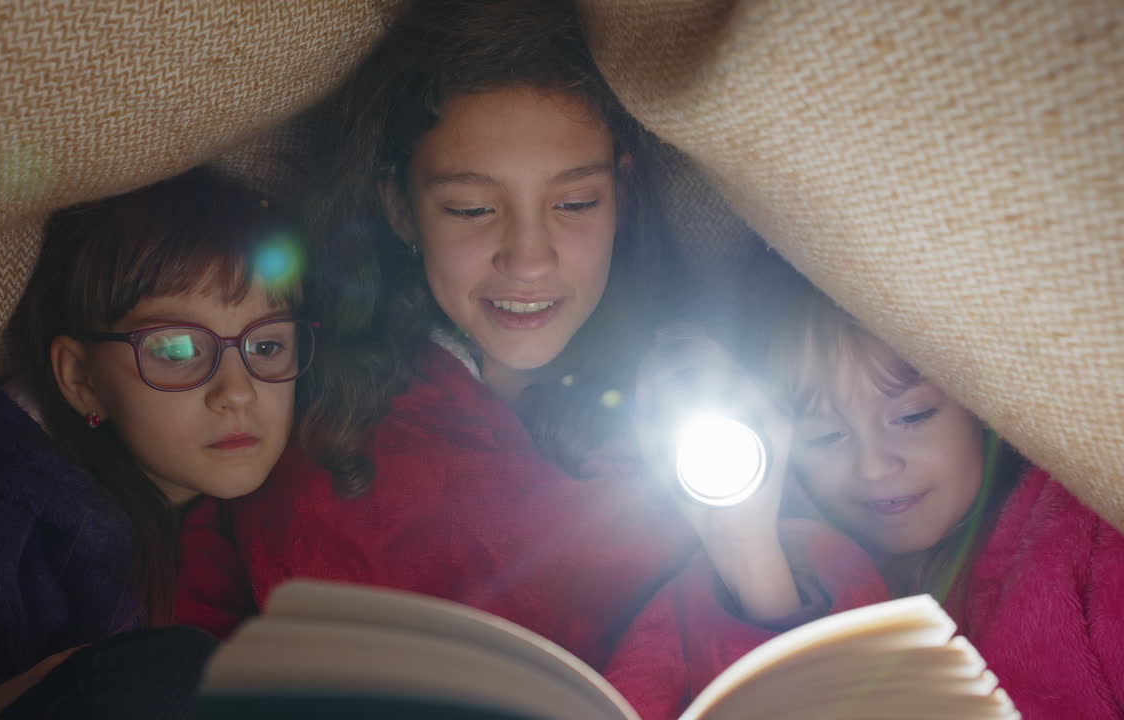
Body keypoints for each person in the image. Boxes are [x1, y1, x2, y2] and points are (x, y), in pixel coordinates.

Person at [175, 2, 885, 717]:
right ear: (400, 207)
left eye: (574, 203)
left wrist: (746, 548)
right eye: (471, 210)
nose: (528, 259)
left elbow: (851, 688)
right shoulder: (299, 414)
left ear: (621, 194)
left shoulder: (705, 409)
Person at [0, 168, 315, 720]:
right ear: (81, 378)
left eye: (266, 347)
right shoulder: (4, 523)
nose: (237, 392)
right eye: (177, 350)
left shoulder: (294, 485)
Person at [754, 280, 1124, 719]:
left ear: (979, 404)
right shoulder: (796, 572)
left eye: (912, 416)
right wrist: (751, 555)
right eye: (825, 436)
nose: (873, 467)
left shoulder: (1085, 540)